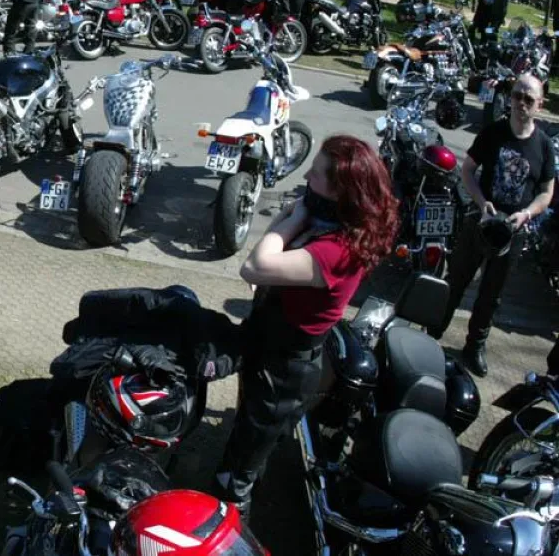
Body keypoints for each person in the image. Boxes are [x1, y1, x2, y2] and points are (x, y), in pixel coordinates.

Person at [215, 135, 398, 514]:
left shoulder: (336, 250)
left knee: (246, 459)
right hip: (269, 342)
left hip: (284, 369)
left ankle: (229, 512)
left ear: (340, 190)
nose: (306, 178)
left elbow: (252, 266)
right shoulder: (329, 215)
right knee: (249, 424)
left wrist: (289, 220)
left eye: (315, 174)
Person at [435, 74, 555, 376]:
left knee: (492, 294)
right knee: (457, 280)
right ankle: (433, 330)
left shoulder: (543, 146)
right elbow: (468, 169)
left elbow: (547, 192)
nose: (521, 104)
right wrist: (480, 203)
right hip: (481, 222)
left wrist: (526, 213)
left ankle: (474, 345)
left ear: (539, 105)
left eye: (529, 99)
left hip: (511, 232)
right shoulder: (493, 133)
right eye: (517, 96)